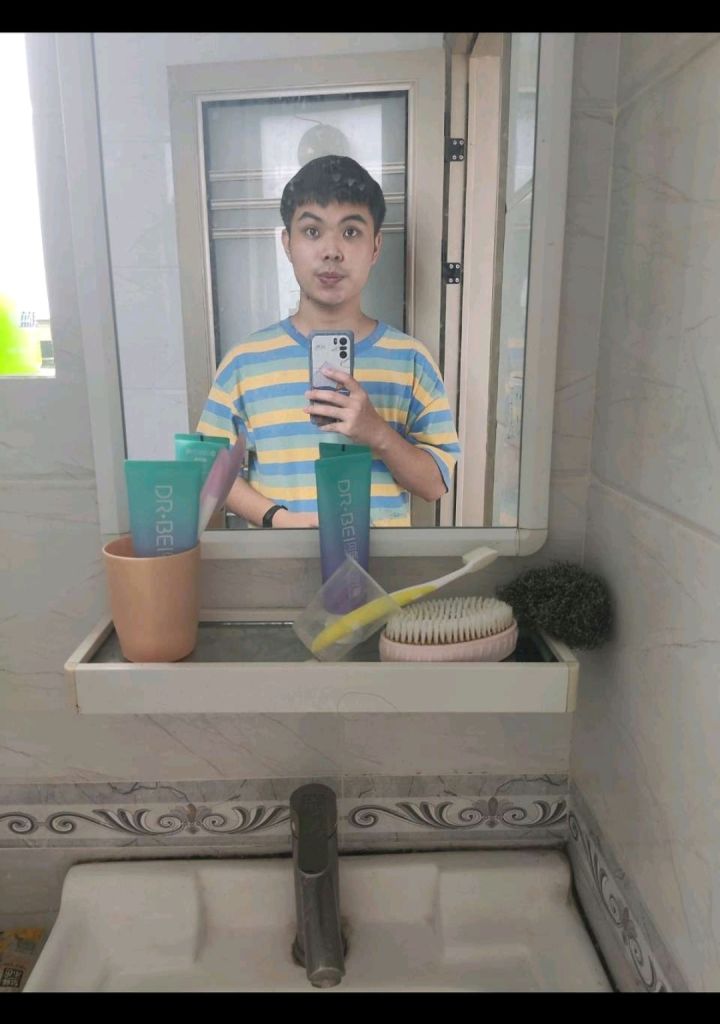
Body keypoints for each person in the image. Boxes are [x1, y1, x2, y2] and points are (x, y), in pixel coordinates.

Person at [197, 154, 460, 528]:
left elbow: (435, 485)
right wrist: (276, 518)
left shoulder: (411, 361)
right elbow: (209, 469)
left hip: (382, 566)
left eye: (350, 232)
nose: (331, 250)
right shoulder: (245, 362)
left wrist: (377, 433)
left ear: (375, 247)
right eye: (312, 231)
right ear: (287, 244)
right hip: (279, 562)